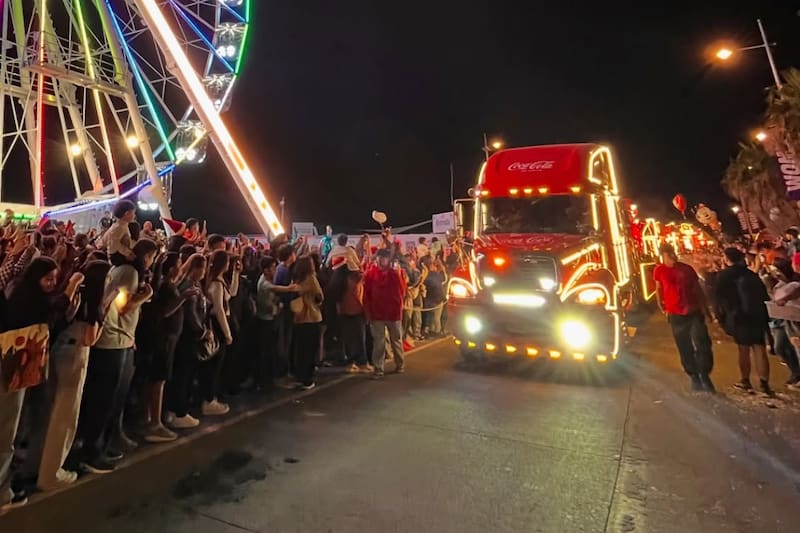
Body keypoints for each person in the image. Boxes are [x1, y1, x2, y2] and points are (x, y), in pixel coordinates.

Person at [1, 258, 82, 511]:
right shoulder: (26, 299)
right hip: (13, 368)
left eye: (54, 280)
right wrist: (72, 286)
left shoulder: (20, 292)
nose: (51, 284)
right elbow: (51, 310)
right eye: (48, 279)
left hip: (17, 367)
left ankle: (6, 486)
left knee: (12, 427)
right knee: (6, 430)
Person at [74, 239, 157, 474]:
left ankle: (99, 447)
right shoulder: (130, 273)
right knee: (105, 399)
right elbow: (123, 306)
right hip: (113, 341)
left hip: (118, 339)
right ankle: (92, 453)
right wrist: (145, 296)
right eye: (151, 257)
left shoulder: (120, 269)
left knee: (107, 399)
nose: (152, 262)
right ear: (145, 256)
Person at [29, 260, 109, 491]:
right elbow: (91, 338)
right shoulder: (93, 300)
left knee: (46, 413)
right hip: (75, 356)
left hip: (57, 351)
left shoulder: (73, 292)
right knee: (64, 416)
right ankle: (51, 474)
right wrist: (108, 301)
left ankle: (34, 465)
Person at [653, 244, 715, 392]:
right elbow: (659, 289)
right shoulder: (659, 270)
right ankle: (694, 376)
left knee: (702, 342)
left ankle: (704, 374)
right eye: (668, 254)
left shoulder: (686, 269)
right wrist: (662, 305)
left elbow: (697, 289)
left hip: (693, 311)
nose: (672, 257)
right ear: (663, 256)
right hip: (675, 314)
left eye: (673, 253)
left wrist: (705, 311)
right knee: (684, 346)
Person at [715, 247, 772, 395]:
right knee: (759, 348)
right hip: (757, 315)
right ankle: (764, 384)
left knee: (743, 349)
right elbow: (763, 294)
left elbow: (718, 298)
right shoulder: (751, 274)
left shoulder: (723, 276)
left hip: (738, 317)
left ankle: (745, 381)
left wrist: (721, 318)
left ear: (727, 259)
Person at [166, 254, 207, 429]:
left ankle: (180, 409)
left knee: (186, 373)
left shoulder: (192, 285)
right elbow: (191, 314)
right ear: (196, 268)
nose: (205, 272)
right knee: (183, 373)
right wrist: (203, 331)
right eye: (203, 268)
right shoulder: (189, 286)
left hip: (187, 335)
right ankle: (179, 412)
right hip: (187, 336)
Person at [203, 250, 239, 415]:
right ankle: (209, 400)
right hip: (218, 325)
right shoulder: (216, 284)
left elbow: (232, 293)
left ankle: (212, 397)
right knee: (214, 365)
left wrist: (236, 273)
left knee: (218, 364)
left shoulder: (219, 281)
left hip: (221, 323)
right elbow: (219, 309)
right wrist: (227, 333)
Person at [364, 249, 407, 379]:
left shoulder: (395, 273)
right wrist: (368, 313)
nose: (382, 260)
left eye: (385, 258)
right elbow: (367, 295)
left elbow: (403, 290)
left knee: (396, 340)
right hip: (377, 314)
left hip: (393, 313)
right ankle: (378, 368)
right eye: (380, 258)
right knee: (379, 342)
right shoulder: (370, 274)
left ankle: (400, 364)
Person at [254, 256, 296, 388]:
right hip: (266, 321)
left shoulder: (266, 279)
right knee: (269, 352)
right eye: (273, 268)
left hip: (268, 318)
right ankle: (268, 381)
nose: (275, 271)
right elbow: (278, 289)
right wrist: (290, 288)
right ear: (266, 270)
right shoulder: (264, 283)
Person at [291, 256, 323, 390]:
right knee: (310, 349)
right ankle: (307, 379)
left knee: (301, 349)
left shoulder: (296, 279)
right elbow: (319, 296)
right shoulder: (311, 278)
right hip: (311, 316)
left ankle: (299, 376)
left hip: (298, 317)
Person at [274, 244, 297, 385]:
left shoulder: (284, 269)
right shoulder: (282, 270)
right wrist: (290, 289)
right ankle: (283, 374)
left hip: (288, 308)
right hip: (286, 310)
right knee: (285, 342)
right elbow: (278, 289)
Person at [105, 200, 137, 266]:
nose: (134, 215)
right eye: (133, 213)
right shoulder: (119, 227)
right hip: (116, 256)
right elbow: (115, 245)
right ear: (127, 214)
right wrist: (127, 253)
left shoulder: (123, 225)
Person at [423, 259, 447, 337]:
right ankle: (437, 331)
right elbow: (443, 279)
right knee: (436, 317)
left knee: (431, 316)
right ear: (431, 266)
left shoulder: (427, 276)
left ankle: (431, 330)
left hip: (431, 299)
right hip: (437, 298)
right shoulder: (436, 275)